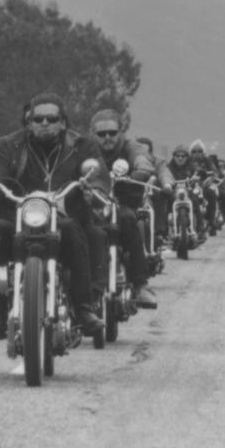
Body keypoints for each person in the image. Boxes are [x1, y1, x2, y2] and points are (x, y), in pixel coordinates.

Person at [0, 92, 107, 340]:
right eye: (38, 118)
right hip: (17, 217)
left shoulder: (82, 145)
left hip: (65, 216)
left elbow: (96, 175)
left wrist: (94, 191)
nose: (45, 123)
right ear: (29, 122)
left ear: (63, 122)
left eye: (52, 118)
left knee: (76, 231)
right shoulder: (7, 146)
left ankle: (84, 309)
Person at [89, 109, 158, 309]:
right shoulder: (86, 149)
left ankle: (140, 285)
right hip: (92, 205)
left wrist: (140, 173)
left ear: (121, 132)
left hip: (123, 202)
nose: (107, 137)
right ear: (93, 134)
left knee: (129, 220)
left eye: (112, 132)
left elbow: (143, 161)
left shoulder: (132, 147)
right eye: (101, 134)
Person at [134, 136, 175, 247]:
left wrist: (167, 184)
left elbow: (163, 172)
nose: (142, 153)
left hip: (152, 192)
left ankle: (159, 232)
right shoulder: (129, 160)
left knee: (160, 196)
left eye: (145, 150)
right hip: (132, 192)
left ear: (150, 151)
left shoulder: (158, 161)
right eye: (139, 150)